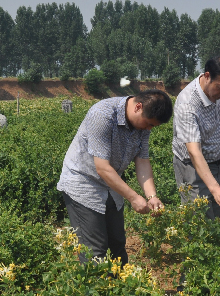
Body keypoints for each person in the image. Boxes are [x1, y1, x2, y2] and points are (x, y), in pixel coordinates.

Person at [57, 90, 173, 264]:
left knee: (117, 244)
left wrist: (152, 196)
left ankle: (122, 281)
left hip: (112, 184)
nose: (149, 129)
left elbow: (142, 160)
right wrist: (134, 197)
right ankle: (97, 282)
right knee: (95, 250)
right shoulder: (102, 115)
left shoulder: (143, 124)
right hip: (83, 183)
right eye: (149, 124)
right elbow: (102, 168)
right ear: (138, 107)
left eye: (153, 126)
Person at [172, 55, 220, 219]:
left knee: (219, 217)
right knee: (200, 220)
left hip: (218, 164)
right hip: (192, 168)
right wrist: (215, 188)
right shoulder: (187, 103)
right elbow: (194, 152)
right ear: (207, 76)